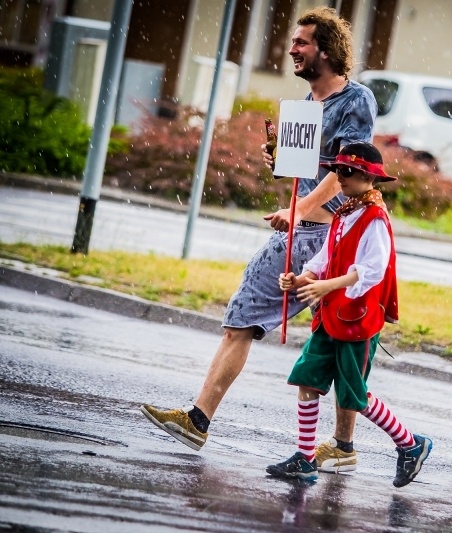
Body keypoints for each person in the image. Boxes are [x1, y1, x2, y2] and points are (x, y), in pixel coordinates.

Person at [140, 7, 378, 474]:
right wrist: (282, 159)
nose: (292, 49)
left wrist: (298, 212)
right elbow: (303, 173)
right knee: (302, 329)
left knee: (297, 329)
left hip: (330, 235)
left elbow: (346, 173)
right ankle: (339, 445)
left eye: (302, 43)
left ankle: (201, 421)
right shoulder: (304, 106)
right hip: (314, 229)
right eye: (294, 42)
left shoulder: (357, 99)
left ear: (326, 50)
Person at [266, 142, 433, 486]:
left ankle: (411, 443)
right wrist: (304, 277)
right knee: (307, 378)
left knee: (353, 394)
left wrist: (328, 286)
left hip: (358, 319)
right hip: (332, 316)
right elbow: (327, 257)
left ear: (368, 177)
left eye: (346, 172)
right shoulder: (344, 212)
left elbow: (372, 270)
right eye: (336, 171)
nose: (338, 177)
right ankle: (305, 458)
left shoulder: (375, 218)